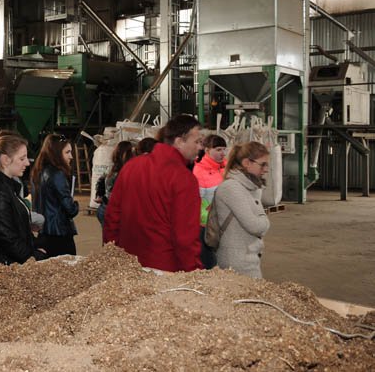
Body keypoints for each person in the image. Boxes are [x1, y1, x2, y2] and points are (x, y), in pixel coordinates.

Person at [103, 115, 203, 272]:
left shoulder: (131, 166)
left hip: (127, 266)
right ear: (179, 141)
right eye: (196, 142)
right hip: (164, 269)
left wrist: (111, 256)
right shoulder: (184, 179)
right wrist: (194, 272)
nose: (200, 148)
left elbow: (112, 216)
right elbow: (185, 238)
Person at [0, 133, 47, 265]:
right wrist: (34, 256)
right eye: (22, 158)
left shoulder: (8, 186)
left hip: (14, 259)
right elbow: (7, 239)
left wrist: (35, 245)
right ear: (6, 160)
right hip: (6, 264)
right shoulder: (0, 192)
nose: (28, 163)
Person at [213, 141, 271, 279]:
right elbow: (255, 226)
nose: (266, 169)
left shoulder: (250, 188)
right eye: (262, 164)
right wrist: (264, 219)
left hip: (249, 258)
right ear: (247, 163)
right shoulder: (231, 188)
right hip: (236, 263)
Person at [31, 135, 80, 257]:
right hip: (60, 235)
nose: (71, 156)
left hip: (43, 233)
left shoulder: (38, 172)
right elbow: (70, 209)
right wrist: (76, 205)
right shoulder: (57, 174)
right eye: (67, 152)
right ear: (57, 153)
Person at [193, 134, 228, 269]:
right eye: (218, 149)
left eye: (224, 149)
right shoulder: (199, 171)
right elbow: (196, 200)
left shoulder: (225, 169)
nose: (222, 153)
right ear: (207, 150)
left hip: (222, 222)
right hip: (205, 225)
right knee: (209, 262)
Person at [95, 141, 134, 227]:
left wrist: (101, 196)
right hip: (114, 211)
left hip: (105, 209)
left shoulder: (112, 168)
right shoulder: (125, 172)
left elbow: (101, 182)